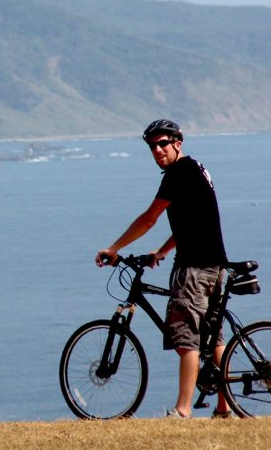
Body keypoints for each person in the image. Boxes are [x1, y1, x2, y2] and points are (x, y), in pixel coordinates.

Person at [95, 119, 232, 419]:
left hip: (193, 269)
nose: (157, 150)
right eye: (152, 146)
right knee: (213, 340)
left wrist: (114, 248)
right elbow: (192, 223)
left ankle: (183, 410)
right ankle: (224, 407)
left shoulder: (177, 174)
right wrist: (161, 252)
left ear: (177, 144)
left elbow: (149, 218)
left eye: (163, 143)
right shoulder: (197, 169)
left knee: (187, 338)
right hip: (216, 266)